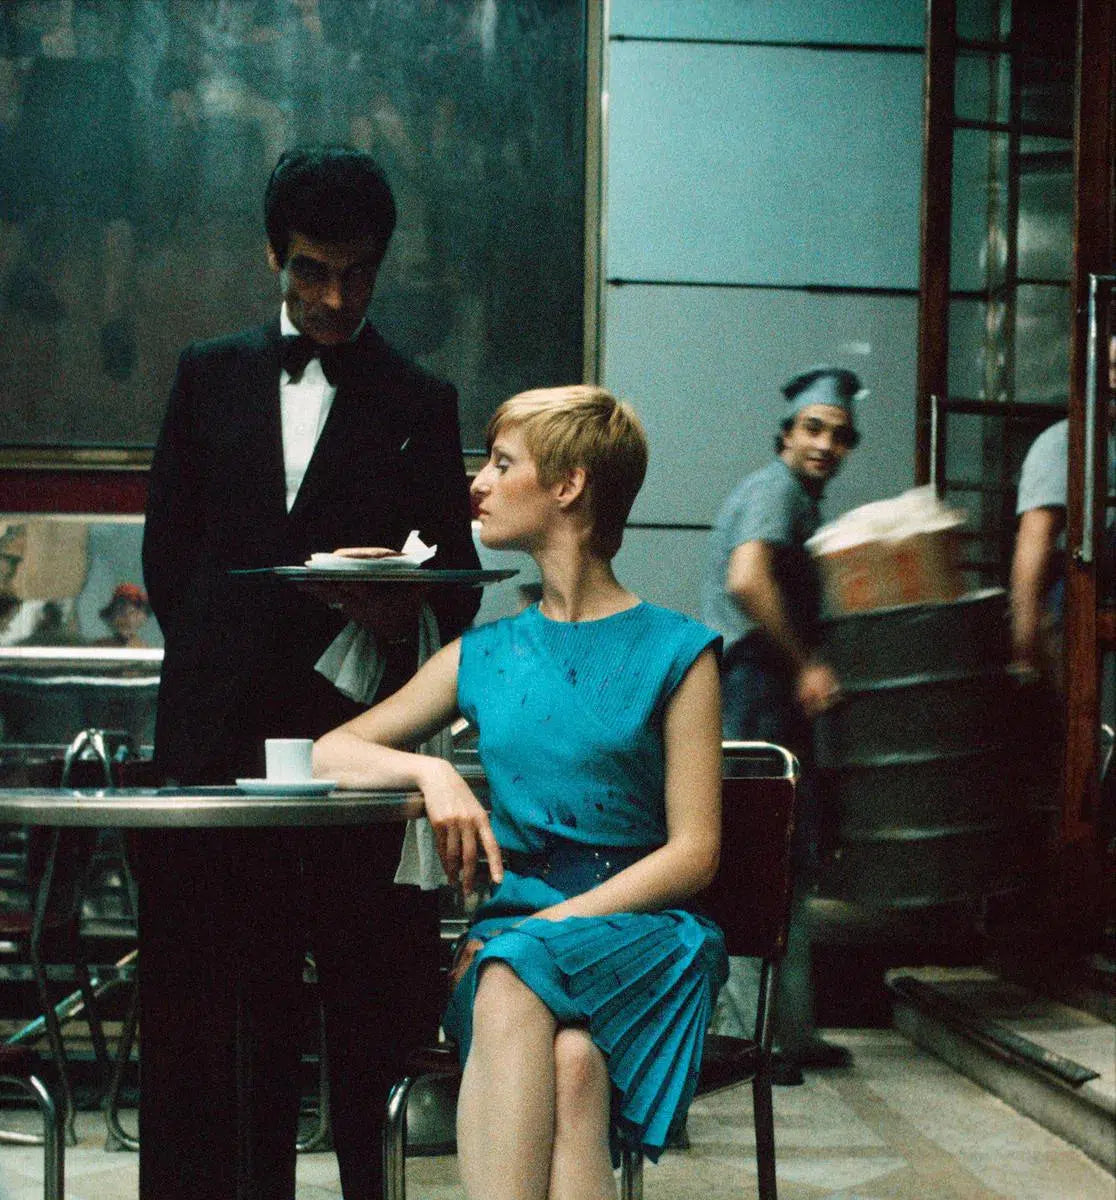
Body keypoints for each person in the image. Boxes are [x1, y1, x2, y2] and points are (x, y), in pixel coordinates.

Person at [139, 145, 481, 1200]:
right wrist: (222, 669)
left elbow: (461, 588)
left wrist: (397, 604)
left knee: (368, 1002)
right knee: (209, 1008)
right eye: (311, 271)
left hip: (355, 748)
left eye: (357, 274)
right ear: (272, 256)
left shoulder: (420, 398)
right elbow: (168, 558)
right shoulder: (208, 374)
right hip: (213, 739)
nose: (334, 298)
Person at [315, 385, 728, 1199]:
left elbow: (695, 854)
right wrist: (433, 771)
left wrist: (543, 927)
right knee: (571, 1064)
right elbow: (333, 751)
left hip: (640, 936)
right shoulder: (486, 653)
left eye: (502, 464)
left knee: (509, 974)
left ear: (569, 485)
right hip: (514, 934)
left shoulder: (680, 650)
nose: (478, 482)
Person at [701, 366, 863, 1082]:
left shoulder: (796, 499)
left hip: (767, 690)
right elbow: (747, 578)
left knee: (787, 862)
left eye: (839, 435)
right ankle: (748, 1039)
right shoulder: (775, 492)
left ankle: (791, 1029)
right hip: (752, 689)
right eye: (813, 429)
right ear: (786, 435)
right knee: (756, 858)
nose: (825, 444)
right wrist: (805, 664)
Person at [1010, 331, 1116, 691]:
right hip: (1080, 605)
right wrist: (1025, 646)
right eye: (1110, 367)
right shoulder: (1063, 444)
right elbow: (1033, 551)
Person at [92, 581, 150, 647]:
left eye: (133, 613)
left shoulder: (142, 648)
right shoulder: (100, 646)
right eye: (121, 612)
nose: (127, 619)